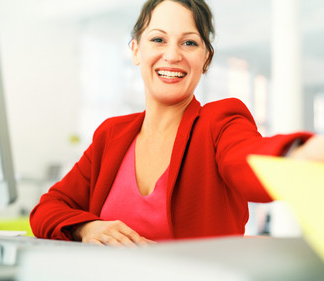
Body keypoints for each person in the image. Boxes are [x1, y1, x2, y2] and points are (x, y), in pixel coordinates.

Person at [30, 0, 324, 246]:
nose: (172, 56)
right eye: (158, 39)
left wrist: (298, 154)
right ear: (136, 50)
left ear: (206, 59)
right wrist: (87, 228)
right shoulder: (111, 135)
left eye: (189, 43)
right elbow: (47, 210)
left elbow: (246, 158)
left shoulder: (218, 122)